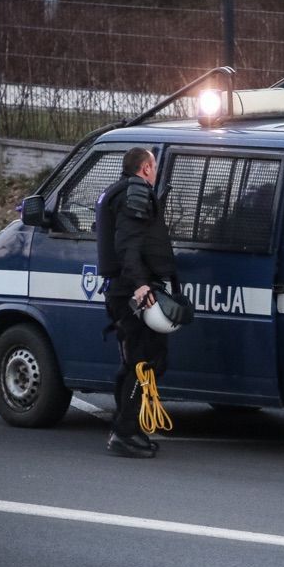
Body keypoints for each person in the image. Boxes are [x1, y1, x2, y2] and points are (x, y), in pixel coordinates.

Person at [95, 147, 178, 456]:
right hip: (133, 293)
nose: (155, 174)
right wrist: (142, 285)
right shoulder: (136, 193)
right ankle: (125, 433)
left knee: (137, 361)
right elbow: (128, 244)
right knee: (146, 363)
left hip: (122, 290)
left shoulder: (118, 191)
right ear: (145, 168)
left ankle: (126, 425)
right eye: (154, 167)